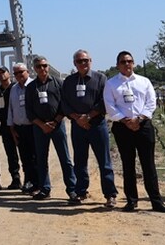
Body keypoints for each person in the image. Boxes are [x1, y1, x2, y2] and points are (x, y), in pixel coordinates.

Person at [103, 51, 165, 213]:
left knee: (148, 165)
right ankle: (131, 201)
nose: (127, 64)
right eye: (123, 62)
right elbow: (110, 106)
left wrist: (139, 119)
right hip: (122, 128)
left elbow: (151, 103)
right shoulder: (111, 84)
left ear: (133, 63)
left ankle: (156, 201)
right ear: (117, 65)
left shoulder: (144, 81)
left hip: (143, 127)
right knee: (128, 165)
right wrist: (126, 121)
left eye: (129, 61)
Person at [62, 50, 118, 208]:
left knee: (104, 161)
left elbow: (104, 101)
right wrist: (77, 118)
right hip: (78, 126)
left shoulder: (100, 78)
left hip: (97, 125)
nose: (83, 64)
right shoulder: (69, 81)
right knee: (80, 161)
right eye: (79, 61)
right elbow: (64, 103)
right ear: (74, 63)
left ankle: (110, 194)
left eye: (85, 60)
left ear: (91, 61)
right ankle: (81, 191)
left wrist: (88, 117)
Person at [25, 56, 77, 201]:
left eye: (45, 65)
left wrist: (54, 122)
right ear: (34, 69)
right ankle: (44, 189)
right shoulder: (31, 87)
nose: (42, 68)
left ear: (48, 66)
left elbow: (64, 105)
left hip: (57, 125)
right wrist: (42, 124)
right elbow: (29, 110)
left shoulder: (58, 83)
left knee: (65, 158)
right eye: (39, 66)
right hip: (39, 127)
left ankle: (72, 190)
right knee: (41, 159)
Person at [7, 63, 38, 194]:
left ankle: (38, 183)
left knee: (35, 157)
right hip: (19, 128)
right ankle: (28, 181)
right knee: (24, 157)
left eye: (21, 72)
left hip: (33, 127)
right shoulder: (13, 89)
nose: (19, 75)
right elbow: (11, 109)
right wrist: (12, 128)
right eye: (16, 73)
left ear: (28, 71)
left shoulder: (34, 85)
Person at [0, 66, 22, 190]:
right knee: (11, 154)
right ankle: (15, 178)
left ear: (9, 74)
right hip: (5, 127)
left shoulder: (16, 88)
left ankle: (30, 179)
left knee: (25, 152)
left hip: (18, 125)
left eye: (3, 72)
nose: (1, 75)